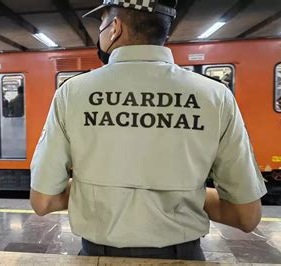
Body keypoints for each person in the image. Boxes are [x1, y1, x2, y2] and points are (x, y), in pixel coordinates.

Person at [30, 0, 267, 261]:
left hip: (97, 257)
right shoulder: (216, 96)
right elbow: (246, 216)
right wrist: (183, 193)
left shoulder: (72, 93)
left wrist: (100, 191)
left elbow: (43, 201)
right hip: (184, 257)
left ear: (115, 28)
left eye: (101, 24)